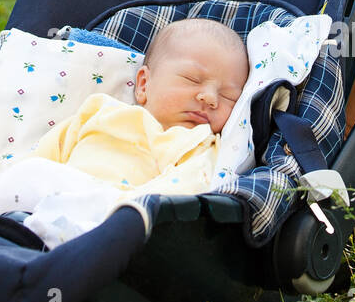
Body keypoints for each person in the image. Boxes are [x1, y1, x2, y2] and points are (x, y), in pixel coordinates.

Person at [31, 18, 249, 191]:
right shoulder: (101, 110)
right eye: (192, 79)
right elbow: (47, 152)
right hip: (54, 193)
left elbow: (185, 189)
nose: (210, 98)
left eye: (229, 96)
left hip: (115, 213)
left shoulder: (198, 144)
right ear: (144, 84)